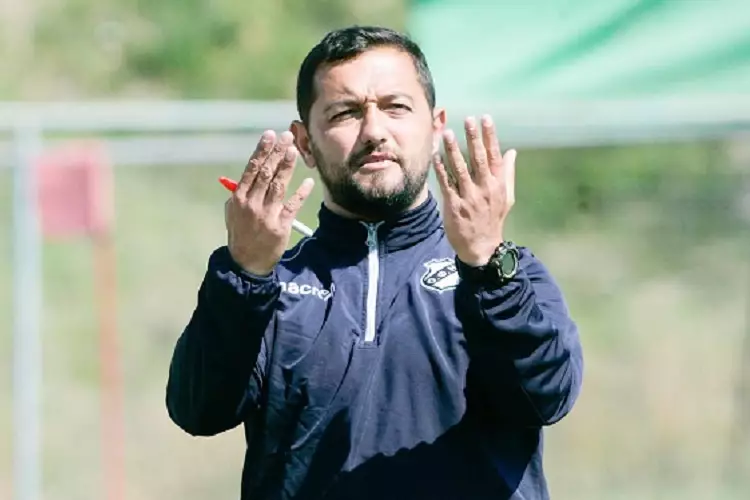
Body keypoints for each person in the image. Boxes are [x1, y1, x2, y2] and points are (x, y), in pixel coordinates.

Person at [166, 25, 584, 500]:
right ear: (305, 143)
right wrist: (244, 272)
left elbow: (546, 397)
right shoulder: (266, 288)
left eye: (396, 107)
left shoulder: (506, 276)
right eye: (345, 113)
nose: (374, 131)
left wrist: (485, 264)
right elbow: (198, 411)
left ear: (436, 126)